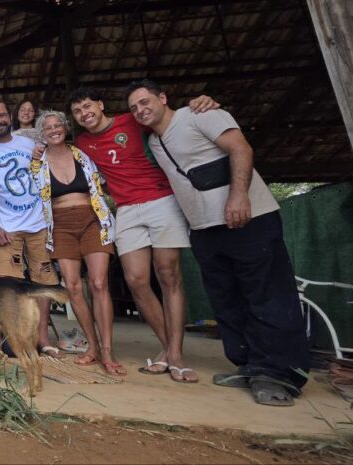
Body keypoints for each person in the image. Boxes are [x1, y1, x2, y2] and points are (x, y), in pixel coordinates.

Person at [127, 79, 309, 406]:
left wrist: (239, 196)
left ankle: (280, 373)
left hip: (248, 217)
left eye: (144, 102)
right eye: (134, 108)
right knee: (227, 298)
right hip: (205, 228)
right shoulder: (154, 142)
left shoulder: (199, 114)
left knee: (266, 292)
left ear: (163, 97)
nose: (140, 110)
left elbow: (241, 148)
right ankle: (250, 365)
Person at [69, 88, 218, 383]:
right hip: (125, 209)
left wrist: (199, 103)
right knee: (136, 280)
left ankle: (174, 356)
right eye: (77, 111)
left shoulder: (131, 120)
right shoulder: (83, 143)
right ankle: (170, 350)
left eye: (88, 106)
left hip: (161, 201)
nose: (84, 113)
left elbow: (168, 118)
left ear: (100, 105)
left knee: (168, 275)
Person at [31, 110, 121, 376]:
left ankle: (107, 350)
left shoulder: (83, 154)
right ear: (42, 133)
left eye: (58, 125)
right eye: (48, 127)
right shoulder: (38, 160)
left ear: (66, 128)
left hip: (91, 220)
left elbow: (105, 181)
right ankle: (92, 346)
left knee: (98, 283)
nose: (54, 129)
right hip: (60, 225)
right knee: (71, 286)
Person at [0, 101, 60, 362]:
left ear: (9, 116)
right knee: (3, 287)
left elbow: (45, 178)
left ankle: (43, 340)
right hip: (6, 229)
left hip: (37, 224)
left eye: (1, 115)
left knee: (43, 285)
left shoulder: (29, 145)